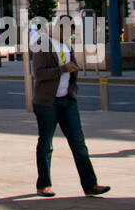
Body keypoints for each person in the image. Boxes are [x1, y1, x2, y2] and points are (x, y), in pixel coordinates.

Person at [32, 28, 109, 196]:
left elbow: (71, 68)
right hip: (47, 102)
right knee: (46, 144)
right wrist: (62, 69)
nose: (70, 35)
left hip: (68, 100)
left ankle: (90, 185)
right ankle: (43, 184)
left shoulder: (66, 45)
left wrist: (73, 77)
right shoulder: (43, 44)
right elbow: (38, 73)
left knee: (78, 143)